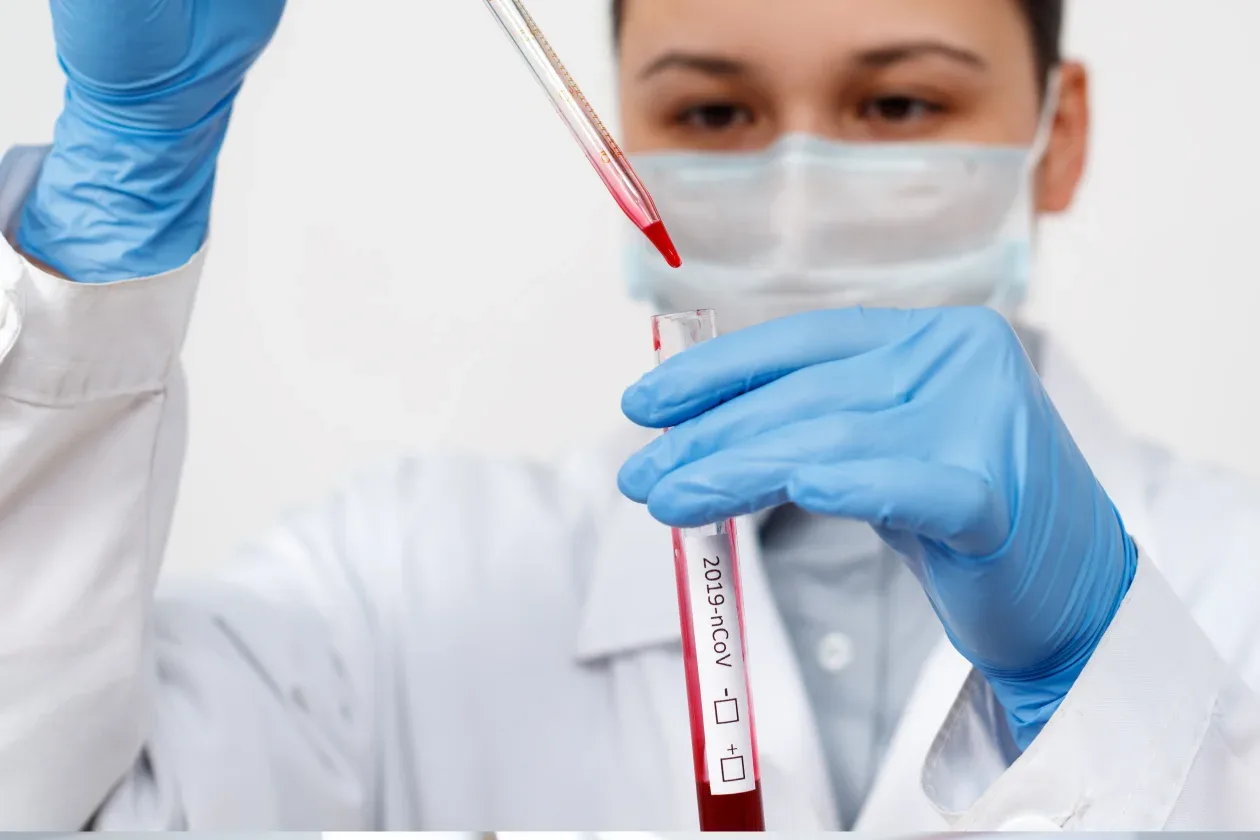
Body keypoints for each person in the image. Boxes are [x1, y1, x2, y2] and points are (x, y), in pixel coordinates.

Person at [1, 0, 1257, 830]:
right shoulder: (397, 588)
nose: (798, 201)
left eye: (900, 107)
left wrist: (1092, 675)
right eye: (714, 116)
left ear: (1060, 132)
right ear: (623, 148)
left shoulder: (1233, 575)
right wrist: (109, 212)